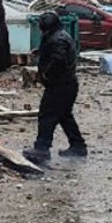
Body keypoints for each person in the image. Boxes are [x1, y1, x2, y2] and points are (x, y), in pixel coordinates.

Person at [24, 11, 87, 163]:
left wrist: (46, 74)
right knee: (64, 116)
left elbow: (58, 59)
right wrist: (41, 53)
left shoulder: (57, 39)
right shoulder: (59, 35)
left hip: (59, 85)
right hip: (67, 84)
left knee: (47, 115)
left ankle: (42, 148)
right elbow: (56, 53)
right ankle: (78, 146)